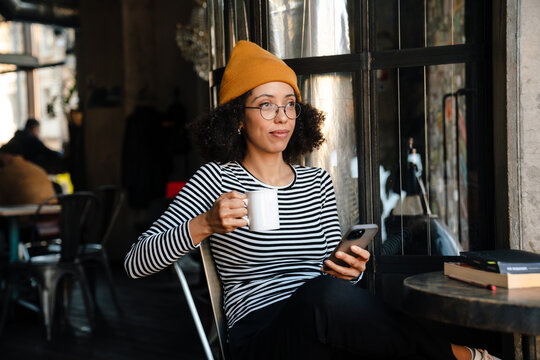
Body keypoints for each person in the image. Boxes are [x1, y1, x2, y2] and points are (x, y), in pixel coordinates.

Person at [124, 41, 499, 360]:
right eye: (266, 105)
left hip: (320, 326)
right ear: (238, 118)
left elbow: (332, 283)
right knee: (320, 300)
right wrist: (204, 224)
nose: (282, 117)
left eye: (290, 104)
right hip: (259, 336)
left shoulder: (315, 182)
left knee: (328, 298)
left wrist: (347, 272)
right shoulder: (216, 180)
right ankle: (459, 355)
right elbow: (135, 263)